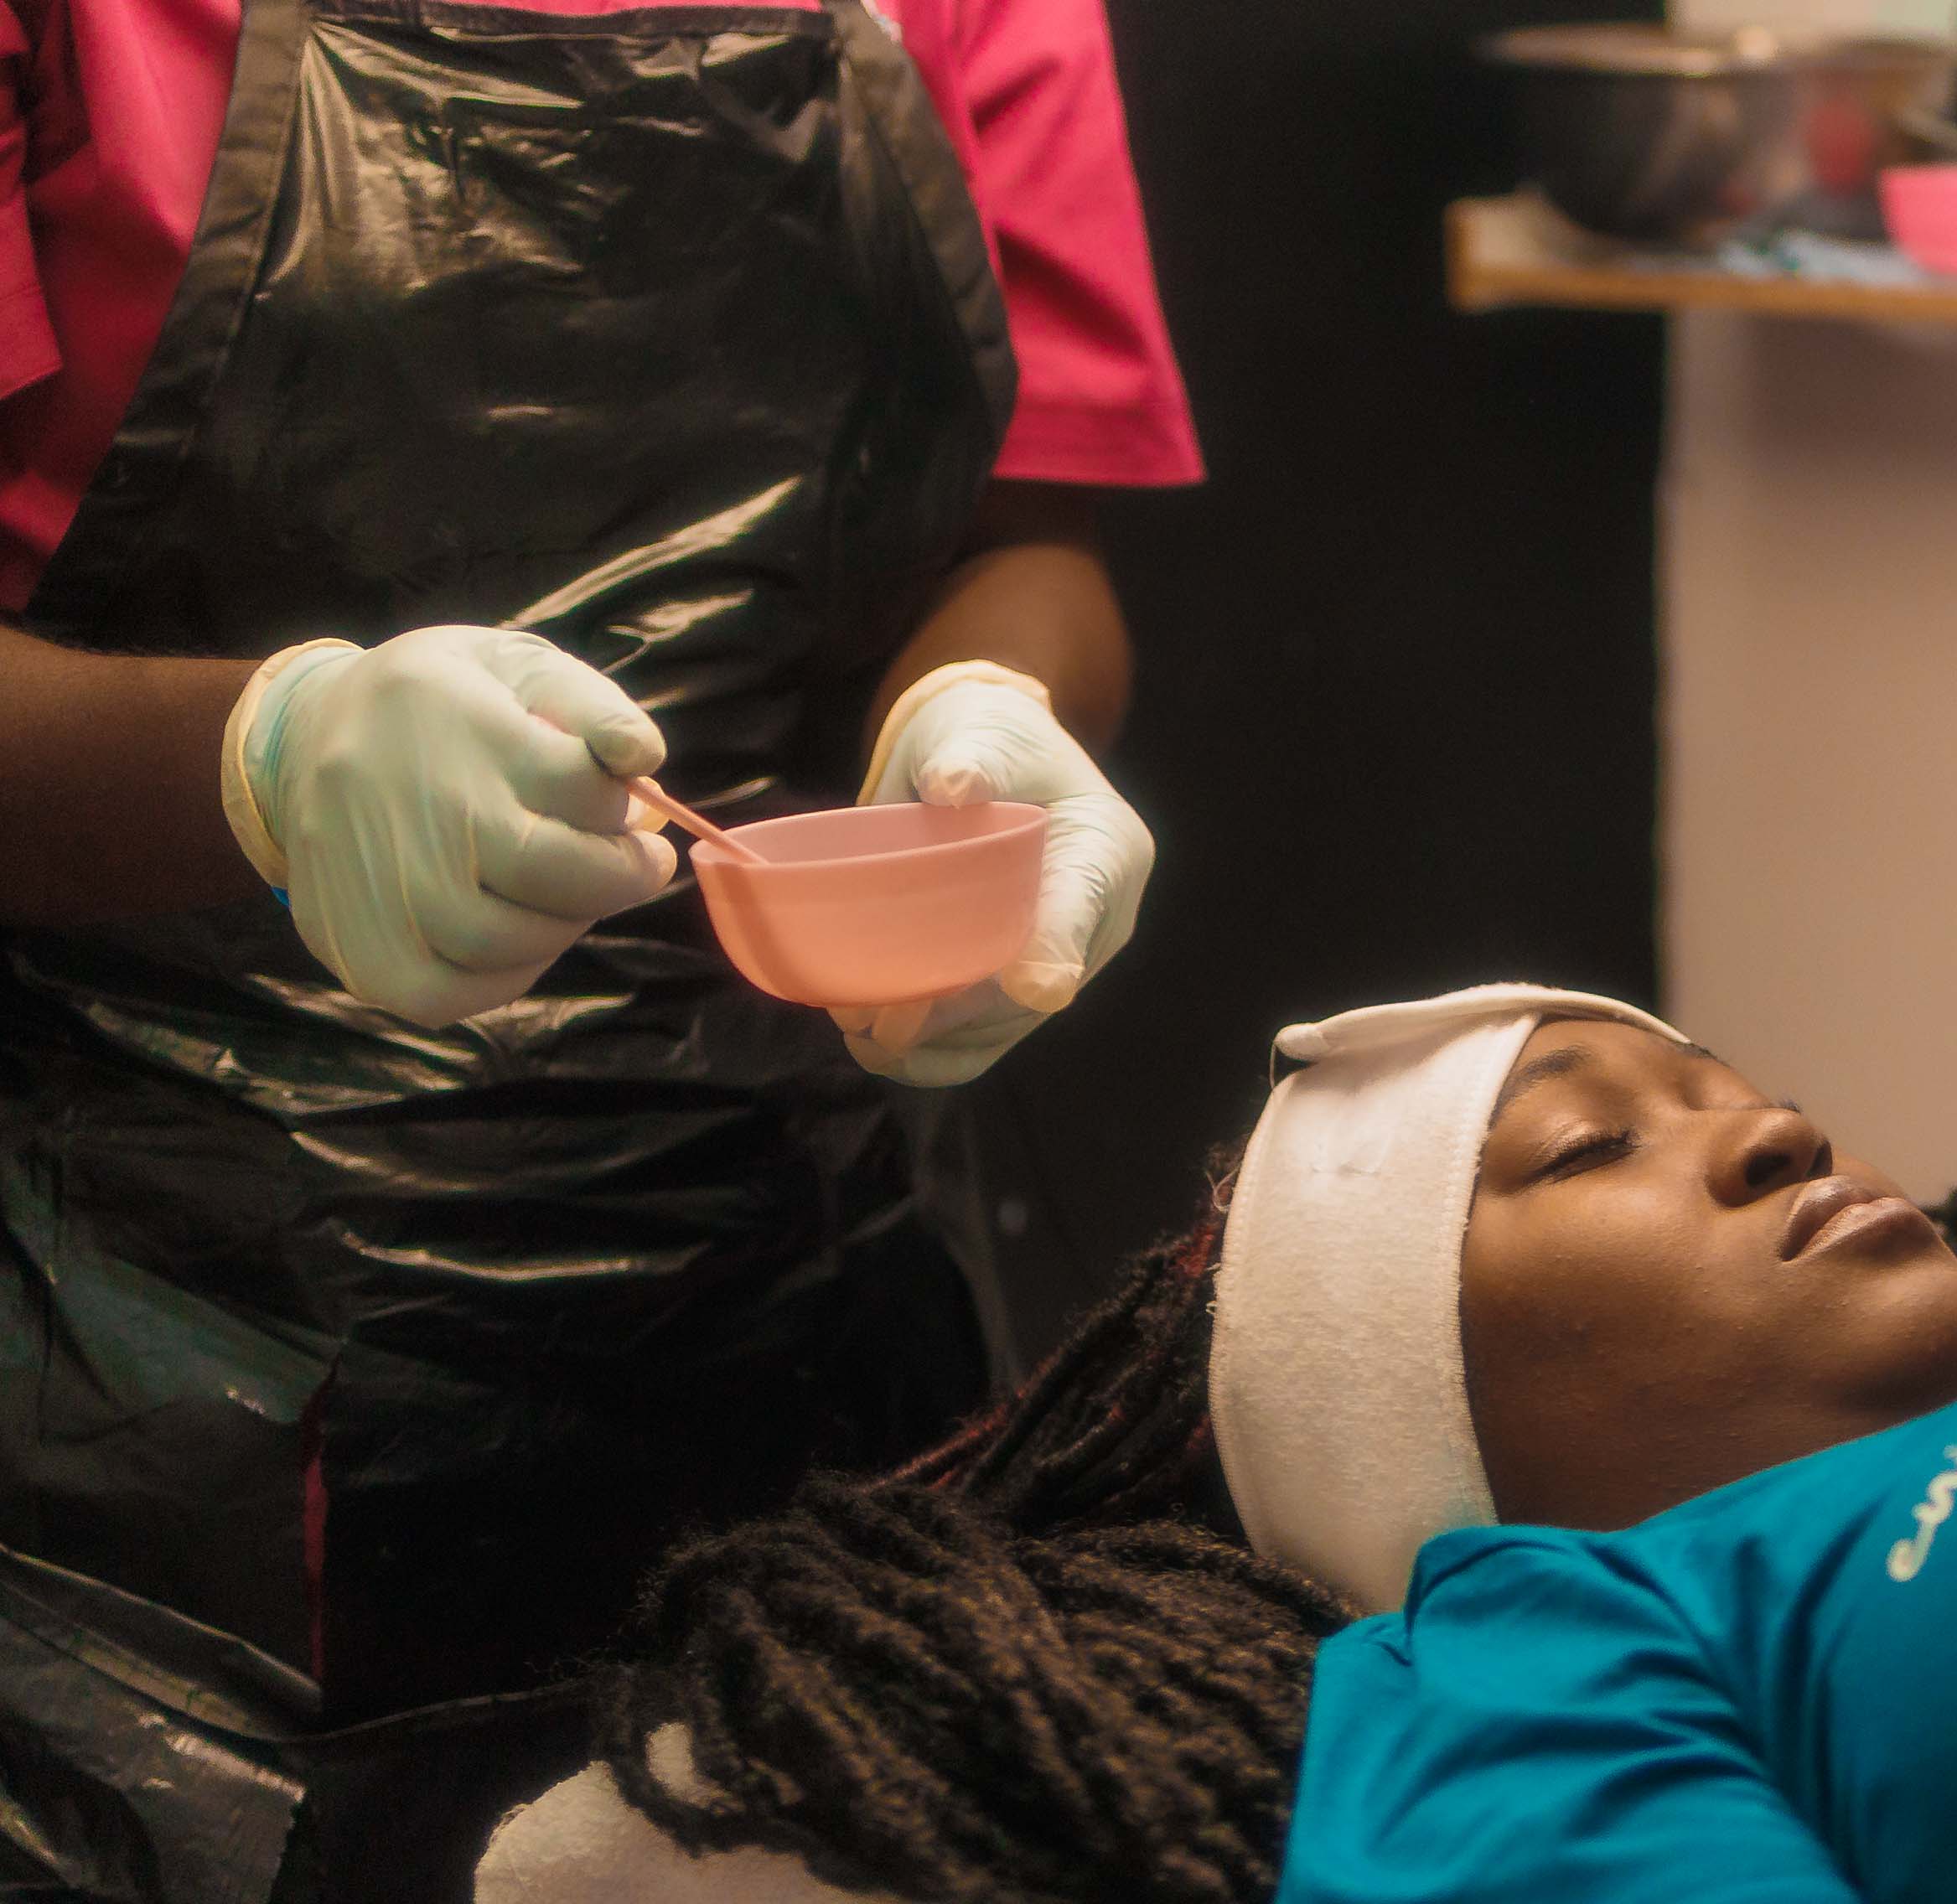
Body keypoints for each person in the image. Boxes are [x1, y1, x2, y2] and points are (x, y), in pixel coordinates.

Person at [489, 983, 1957, 1902]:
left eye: (1737, 1085)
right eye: (1585, 1146)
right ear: (1415, 1410)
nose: (1777, 1127)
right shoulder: (1539, 1646)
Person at [0, 0, 1188, 1766]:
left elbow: (1034, 540)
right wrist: (263, 758)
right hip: (131, 1364)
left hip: (799, 1302)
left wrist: (988, 712)